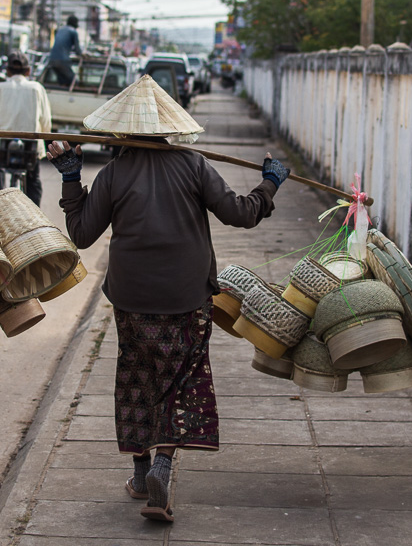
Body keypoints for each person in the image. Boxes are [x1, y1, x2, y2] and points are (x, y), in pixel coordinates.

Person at [46, 75, 290, 523]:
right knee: (178, 381)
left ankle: (142, 476)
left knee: (138, 377)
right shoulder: (193, 164)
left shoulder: (114, 172)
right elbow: (242, 213)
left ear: (123, 130)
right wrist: (270, 184)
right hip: (186, 297)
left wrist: (71, 180)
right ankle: (161, 464)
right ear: (168, 127)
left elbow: (81, 234)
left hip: (130, 298)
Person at [0, 50, 52, 205]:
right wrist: (45, 137)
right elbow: (46, 123)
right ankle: (36, 215)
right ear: (28, 71)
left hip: (3, 148)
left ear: (7, 71)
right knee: (33, 178)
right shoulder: (37, 88)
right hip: (30, 148)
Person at [48, 15, 83, 86]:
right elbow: (77, 50)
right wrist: (83, 54)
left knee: (62, 82)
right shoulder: (73, 32)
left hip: (52, 60)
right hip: (62, 60)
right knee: (74, 82)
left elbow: (62, 44)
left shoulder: (60, 30)